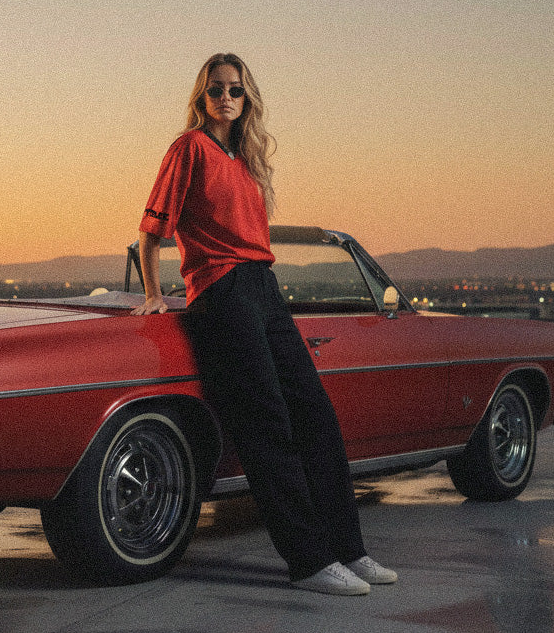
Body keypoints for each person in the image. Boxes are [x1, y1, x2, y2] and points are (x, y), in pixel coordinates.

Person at [132, 53, 397, 596]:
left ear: (246, 98)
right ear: (201, 97)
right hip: (222, 292)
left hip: (264, 287)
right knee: (267, 423)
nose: (225, 98)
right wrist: (157, 296)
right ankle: (308, 561)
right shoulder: (189, 149)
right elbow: (151, 231)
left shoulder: (245, 158)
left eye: (235, 90)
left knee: (316, 416)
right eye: (215, 90)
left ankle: (349, 548)